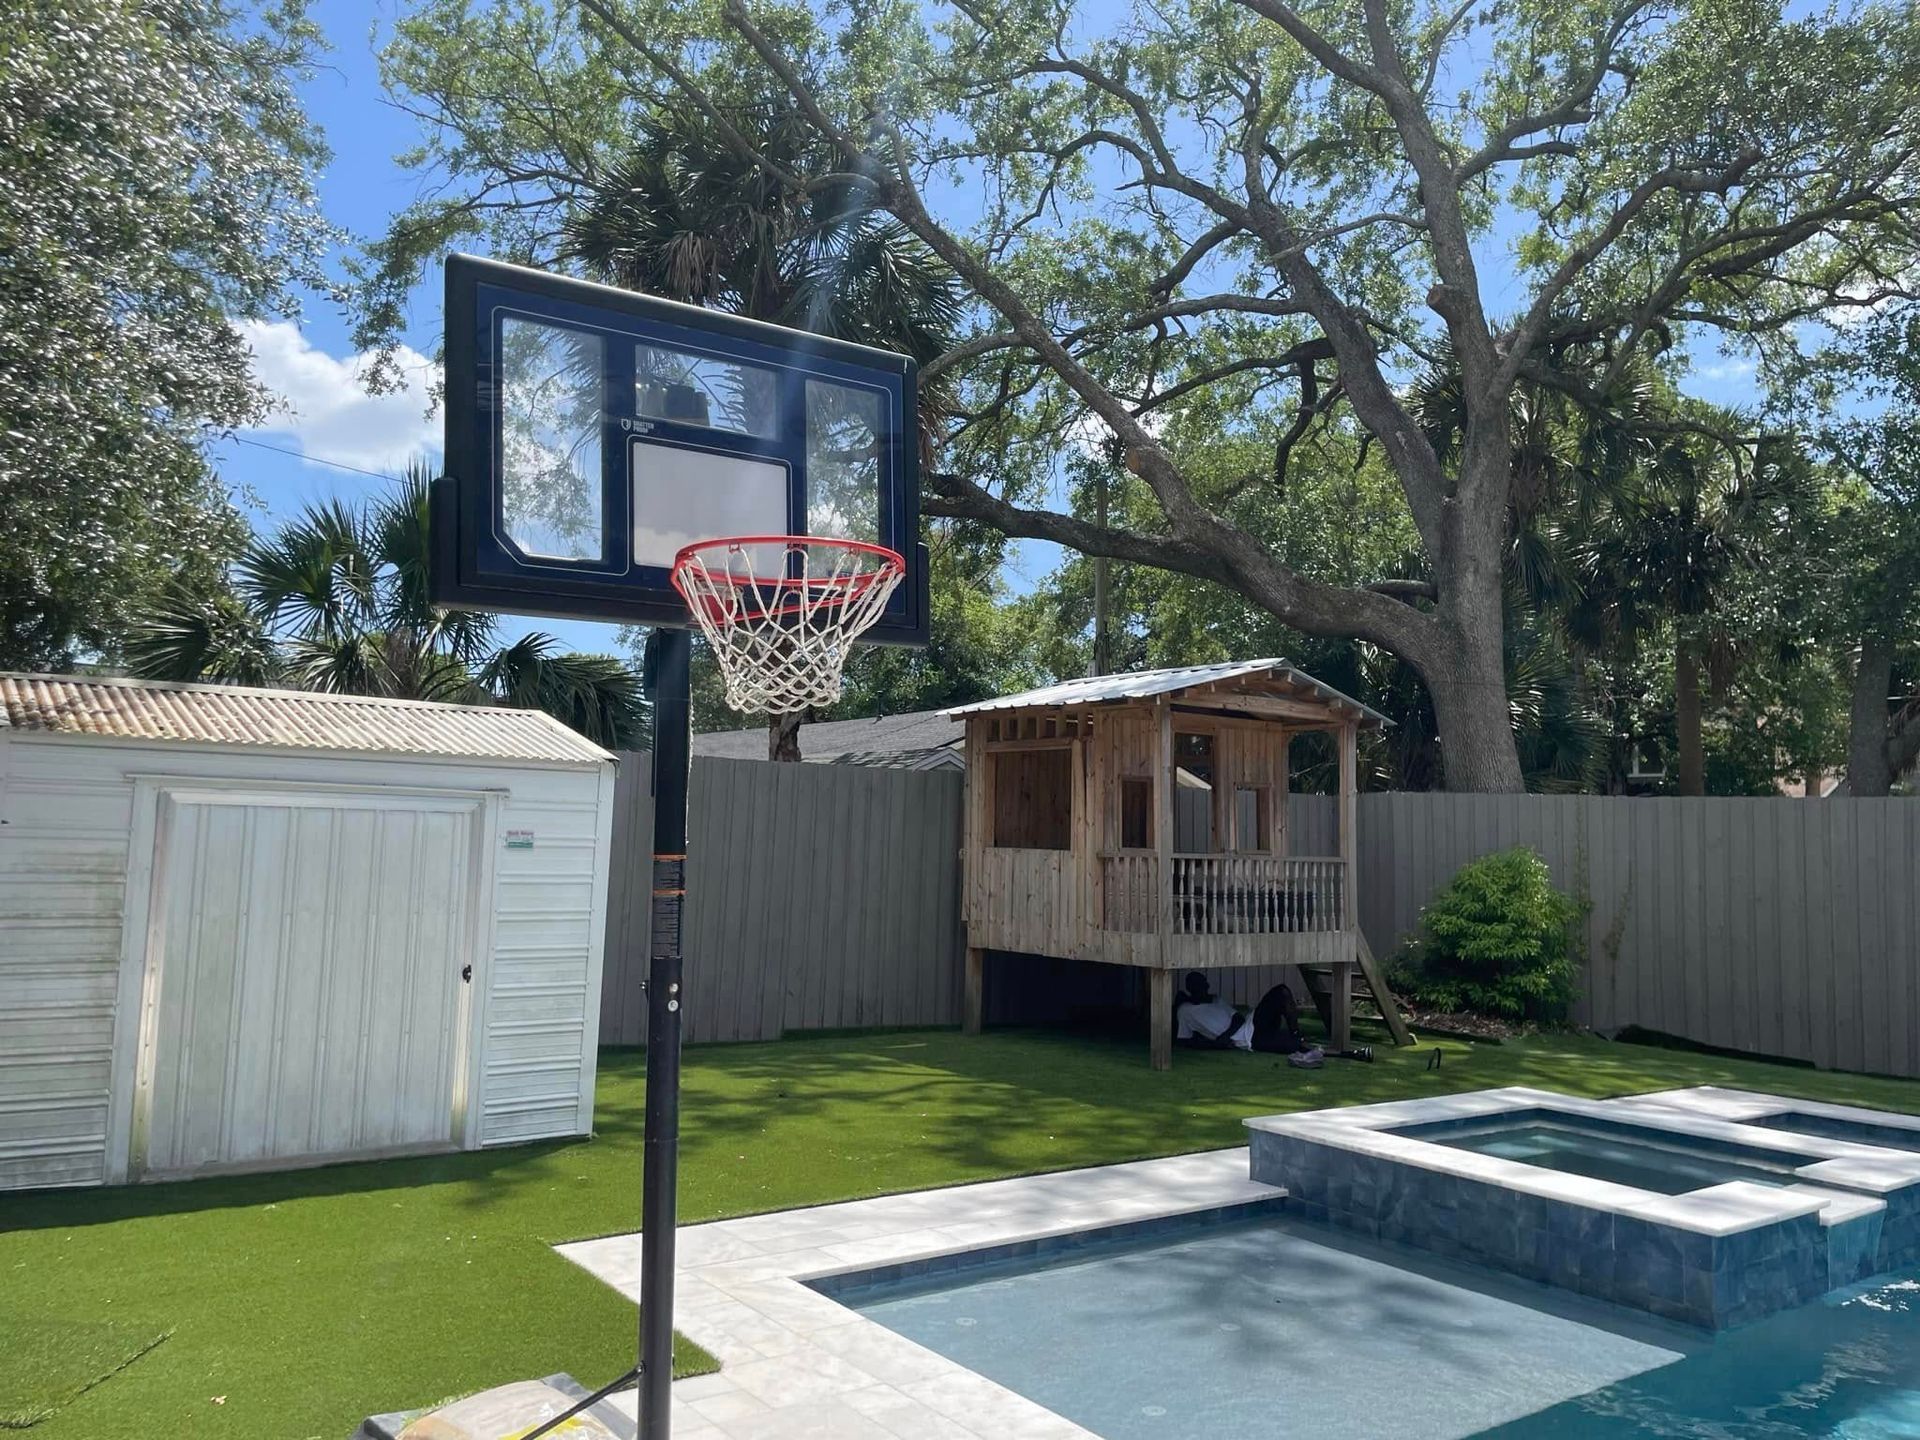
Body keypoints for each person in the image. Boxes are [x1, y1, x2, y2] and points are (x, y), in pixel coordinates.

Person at [1172, 971, 1251, 1050]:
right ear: (1189, 988)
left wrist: (1225, 1036)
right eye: (1197, 984)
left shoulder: (1216, 1000)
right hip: (1239, 1038)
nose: (1204, 987)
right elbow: (1183, 1040)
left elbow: (1239, 1018)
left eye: (1204, 983)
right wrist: (1216, 1043)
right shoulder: (1185, 1010)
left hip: (1246, 1026)